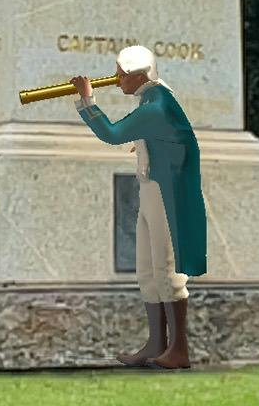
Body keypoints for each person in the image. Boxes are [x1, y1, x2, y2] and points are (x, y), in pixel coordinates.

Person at [71, 46, 205, 370]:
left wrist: (87, 100)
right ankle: (157, 343)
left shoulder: (157, 106)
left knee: (167, 270)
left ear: (138, 75)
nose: (117, 80)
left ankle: (179, 349)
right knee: (147, 270)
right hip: (150, 188)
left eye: (121, 74)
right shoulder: (151, 100)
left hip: (166, 192)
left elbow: (113, 133)